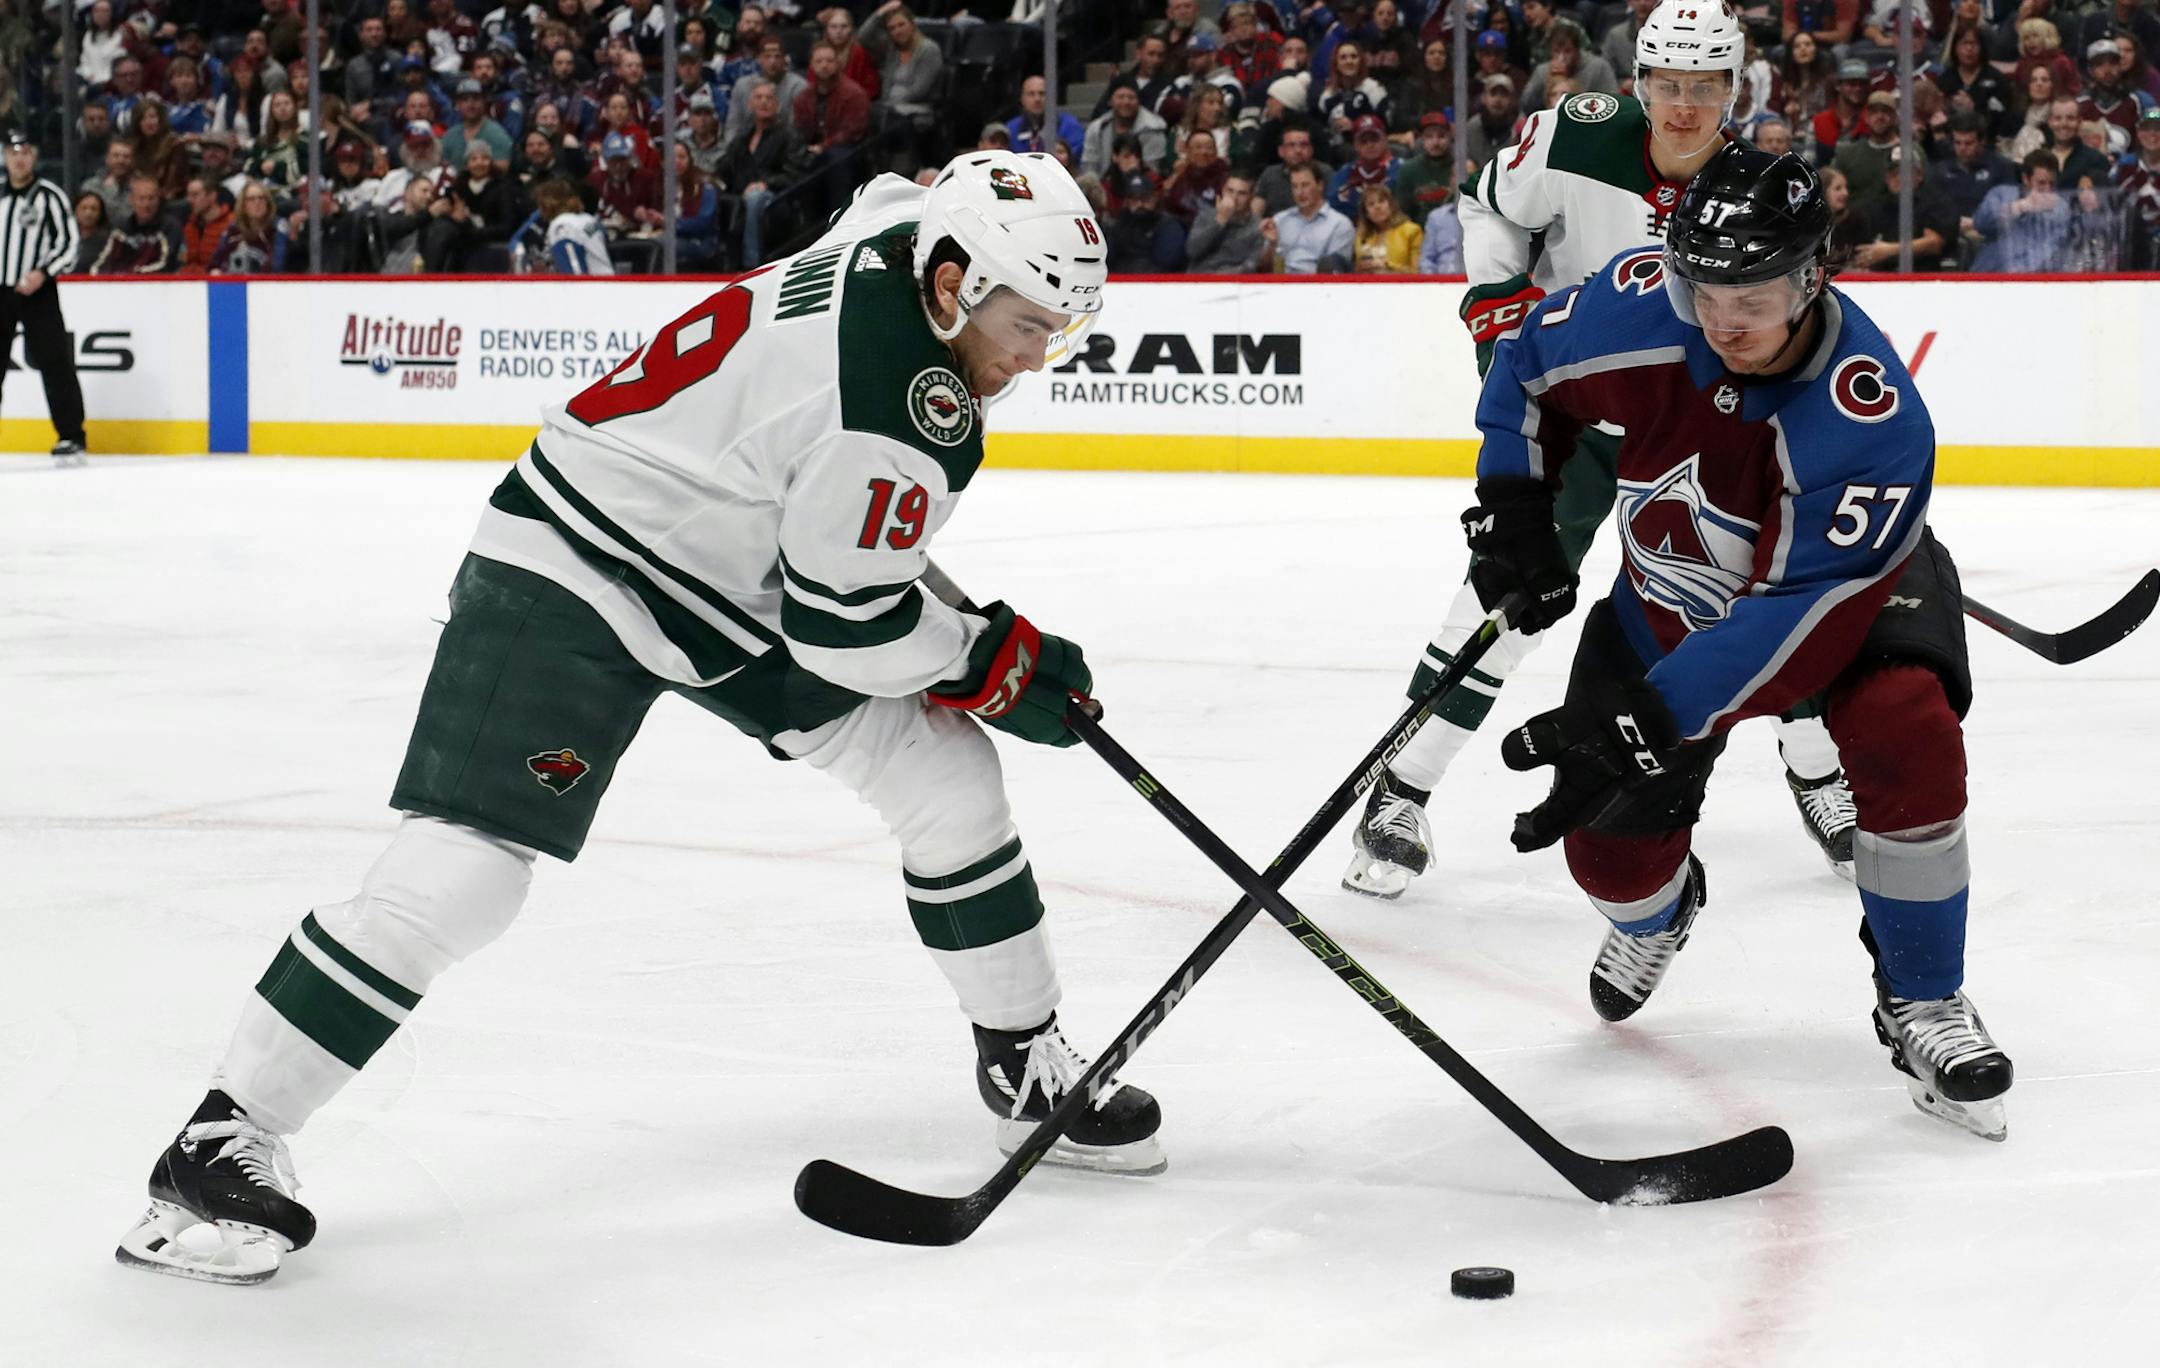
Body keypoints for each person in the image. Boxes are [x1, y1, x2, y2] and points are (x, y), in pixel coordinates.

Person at [115, 150, 1161, 1285]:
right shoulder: (907, 412)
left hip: (729, 574)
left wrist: (968, 650)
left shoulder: (906, 226)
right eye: (1026, 320)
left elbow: (888, 191)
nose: (1037, 351)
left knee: (946, 781)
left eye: (1060, 325)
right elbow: (847, 631)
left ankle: (1022, 1072)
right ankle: (213, 1147)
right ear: (953, 280)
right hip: (577, 561)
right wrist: (990, 662)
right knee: (468, 874)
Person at [1464, 141, 2012, 1142]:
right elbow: (1527, 369)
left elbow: (1799, 618)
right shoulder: (1646, 302)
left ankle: (1923, 997)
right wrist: (1513, 505)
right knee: (1609, 861)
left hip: (1843, 606)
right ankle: (1655, 915)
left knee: (1907, 727)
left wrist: (1656, 716)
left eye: (1753, 294)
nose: (1723, 320)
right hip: (1667, 599)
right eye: (1705, 289)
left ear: (1813, 273)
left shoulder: (1870, 415)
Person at [1344, 1, 1858, 902]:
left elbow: (1791, 322)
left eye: (1706, 87)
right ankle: (1402, 785)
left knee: (1771, 600)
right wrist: (1499, 299)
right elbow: (1487, 206)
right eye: (1667, 84)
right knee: (1508, 586)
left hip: (1691, 427)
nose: (1685, 105)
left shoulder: (1762, 187)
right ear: (1639, 82)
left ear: (1736, 90)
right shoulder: (1577, 136)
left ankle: (1817, 773)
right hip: (1577, 411)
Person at [0, 132, 90, 465]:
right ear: (5, 157)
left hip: (37, 293)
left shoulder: (49, 197)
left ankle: (71, 434)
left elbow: (69, 243)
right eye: (13, 152)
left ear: (35, 158)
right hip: (0, 291)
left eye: (25, 152)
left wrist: (43, 272)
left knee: (54, 362)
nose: (19, 159)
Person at [1260, 161, 1353, 271]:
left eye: (1305, 185)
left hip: (1318, 286)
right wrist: (1272, 244)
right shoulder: (1279, 220)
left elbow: (1336, 273)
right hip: (1281, 284)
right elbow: (1263, 269)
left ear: (1320, 185)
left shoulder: (1340, 224)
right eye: (1295, 186)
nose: (1299, 192)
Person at [1186, 170, 1267, 271]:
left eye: (1242, 193)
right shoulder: (1205, 216)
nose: (1234, 198)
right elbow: (1192, 251)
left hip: (1234, 282)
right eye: (1230, 191)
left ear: (1251, 196)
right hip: (1199, 280)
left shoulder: (1257, 226)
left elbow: (1252, 264)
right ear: (1223, 190)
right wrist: (1220, 220)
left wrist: (1222, 278)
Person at [1351, 181, 1419, 271]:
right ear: (1366, 213)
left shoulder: (1411, 231)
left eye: (1381, 201)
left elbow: (1418, 272)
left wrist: (1388, 265)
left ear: (1391, 205)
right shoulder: (1362, 235)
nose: (1377, 206)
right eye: (1371, 204)